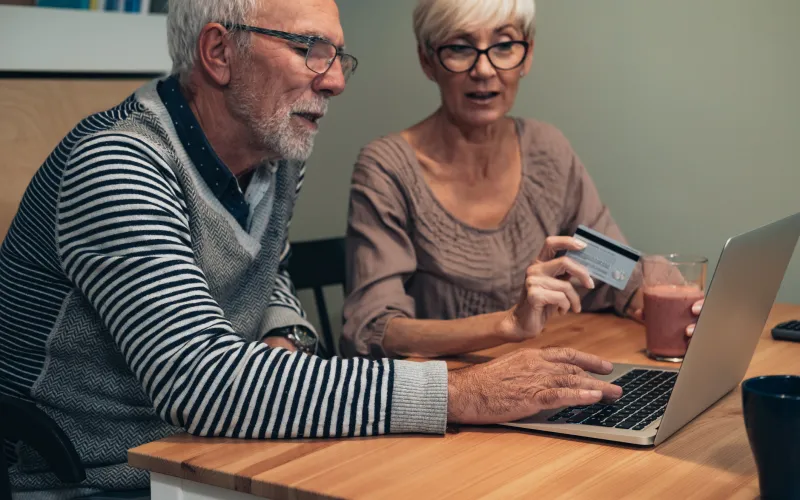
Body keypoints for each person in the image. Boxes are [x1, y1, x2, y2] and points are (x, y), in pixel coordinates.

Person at [0, 0, 622, 497]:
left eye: (336, 52)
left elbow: (270, 275)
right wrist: (461, 393)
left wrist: (287, 339)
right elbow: (204, 384)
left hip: (220, 454)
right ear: (219, 52)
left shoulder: (273, 157)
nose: (334, 81)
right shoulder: (118, 165)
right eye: (309, 49)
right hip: (101, 478)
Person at [342, 0, 702, 359]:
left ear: (527, 55)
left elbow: (617, 274)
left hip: (542, 377)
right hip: (449, 397)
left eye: (503, 46)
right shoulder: (386, 168)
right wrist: (507, 323)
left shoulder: (547, 151)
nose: (483, 69)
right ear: (427, 60)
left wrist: (679, 307)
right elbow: (375, 328)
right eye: (459, 48)